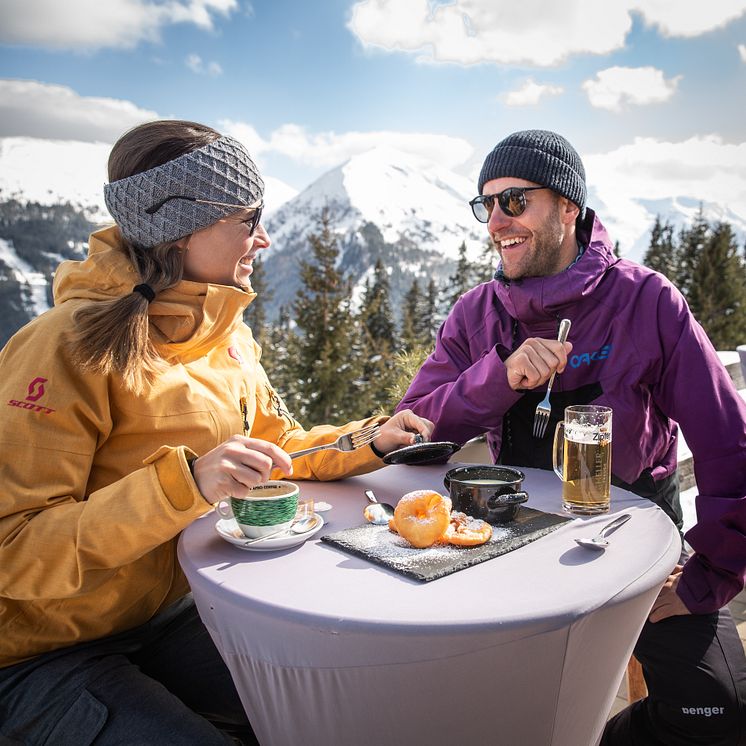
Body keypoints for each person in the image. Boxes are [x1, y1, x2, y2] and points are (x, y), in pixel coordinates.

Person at [0, 119, 433, 745]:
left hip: (171, 615)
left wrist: (370, 440)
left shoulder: (222, 332)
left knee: (342, 705)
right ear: (179, 229)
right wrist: (184, 486)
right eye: (247, 218)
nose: (262, 238)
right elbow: (12, 550)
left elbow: (274, 447)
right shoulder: (61, 349)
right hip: (43, 650)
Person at [397, 129, 746, 745]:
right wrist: (498, 379)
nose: (496, 222)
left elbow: (728, 444)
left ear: (569, 207)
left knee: (717, 710)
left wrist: (708, 573)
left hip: (638, 553)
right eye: (487, 205)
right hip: (510, 546)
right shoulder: (477, 315)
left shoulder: (647, 301)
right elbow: (412, 430)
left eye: (515, 201)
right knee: (471, 708)